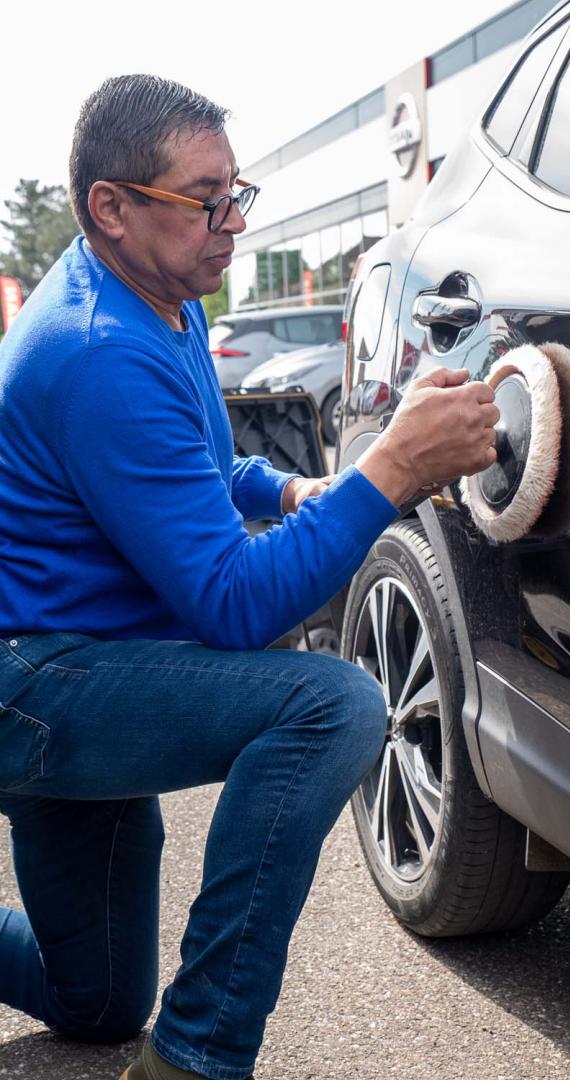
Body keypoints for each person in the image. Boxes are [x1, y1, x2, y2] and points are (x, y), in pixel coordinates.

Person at [0, 75, 499, 1080]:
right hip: (42, 688)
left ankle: (140, 1024)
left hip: (83, 664)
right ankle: (197, 1055)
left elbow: (188, 464)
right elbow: (234, 608)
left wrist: (289, 491)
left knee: (92, 1002)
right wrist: (388, 472)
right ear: (112, 206)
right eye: (206, 199)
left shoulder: (153, 291)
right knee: (333, 705)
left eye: (238, 192)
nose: (231, 223)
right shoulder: (98, 349)